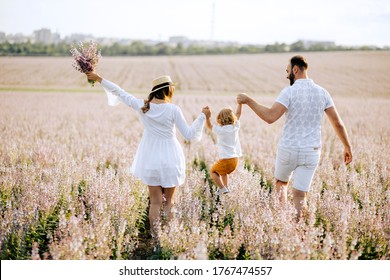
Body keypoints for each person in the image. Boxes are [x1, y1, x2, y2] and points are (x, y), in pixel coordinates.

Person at [86, 72, 210, 235]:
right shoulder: (173, 109)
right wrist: (202, 116)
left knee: (155, 203)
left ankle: (155, 238)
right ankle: (169, 237)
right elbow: (188, 134)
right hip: (170, 157)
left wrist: (100, 79)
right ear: (168, 90)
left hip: (150, 158)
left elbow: (119, 92)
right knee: (169, 202)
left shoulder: (142, 106)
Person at [237, 55, 352, 218]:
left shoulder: (289, 92)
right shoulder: (322, 93)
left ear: (295, 69)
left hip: (288, 149)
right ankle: (299, 235)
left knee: (281, 184)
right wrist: (347, 146)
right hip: (311, 151)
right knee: (300, 196)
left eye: (287, 70)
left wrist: (249, 101)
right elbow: (338, 123)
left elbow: (270, 117)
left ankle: (283, 223)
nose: (286, 75)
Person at [204, 104, 242, 195]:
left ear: (220, 119)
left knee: (213, 171)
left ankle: (222, 188)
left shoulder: (220, 130)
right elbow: (238, 114)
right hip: (235, 160)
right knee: (223, 172)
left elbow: (209, 126)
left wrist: (207, 117)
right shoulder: (235, 127)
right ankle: (226, 187)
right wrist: (240, 104)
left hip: (226, 160)